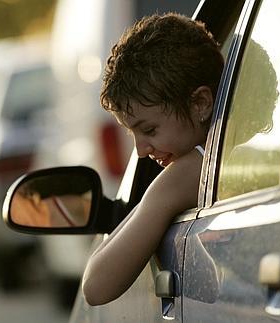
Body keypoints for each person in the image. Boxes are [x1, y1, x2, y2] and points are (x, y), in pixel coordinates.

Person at [81, 13, 224, 306]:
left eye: (149, 130)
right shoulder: (224, 157)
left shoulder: (191, 170)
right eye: (132, 133)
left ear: (201, 103)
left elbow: (95, 286)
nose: (141, 150)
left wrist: (160, 195)